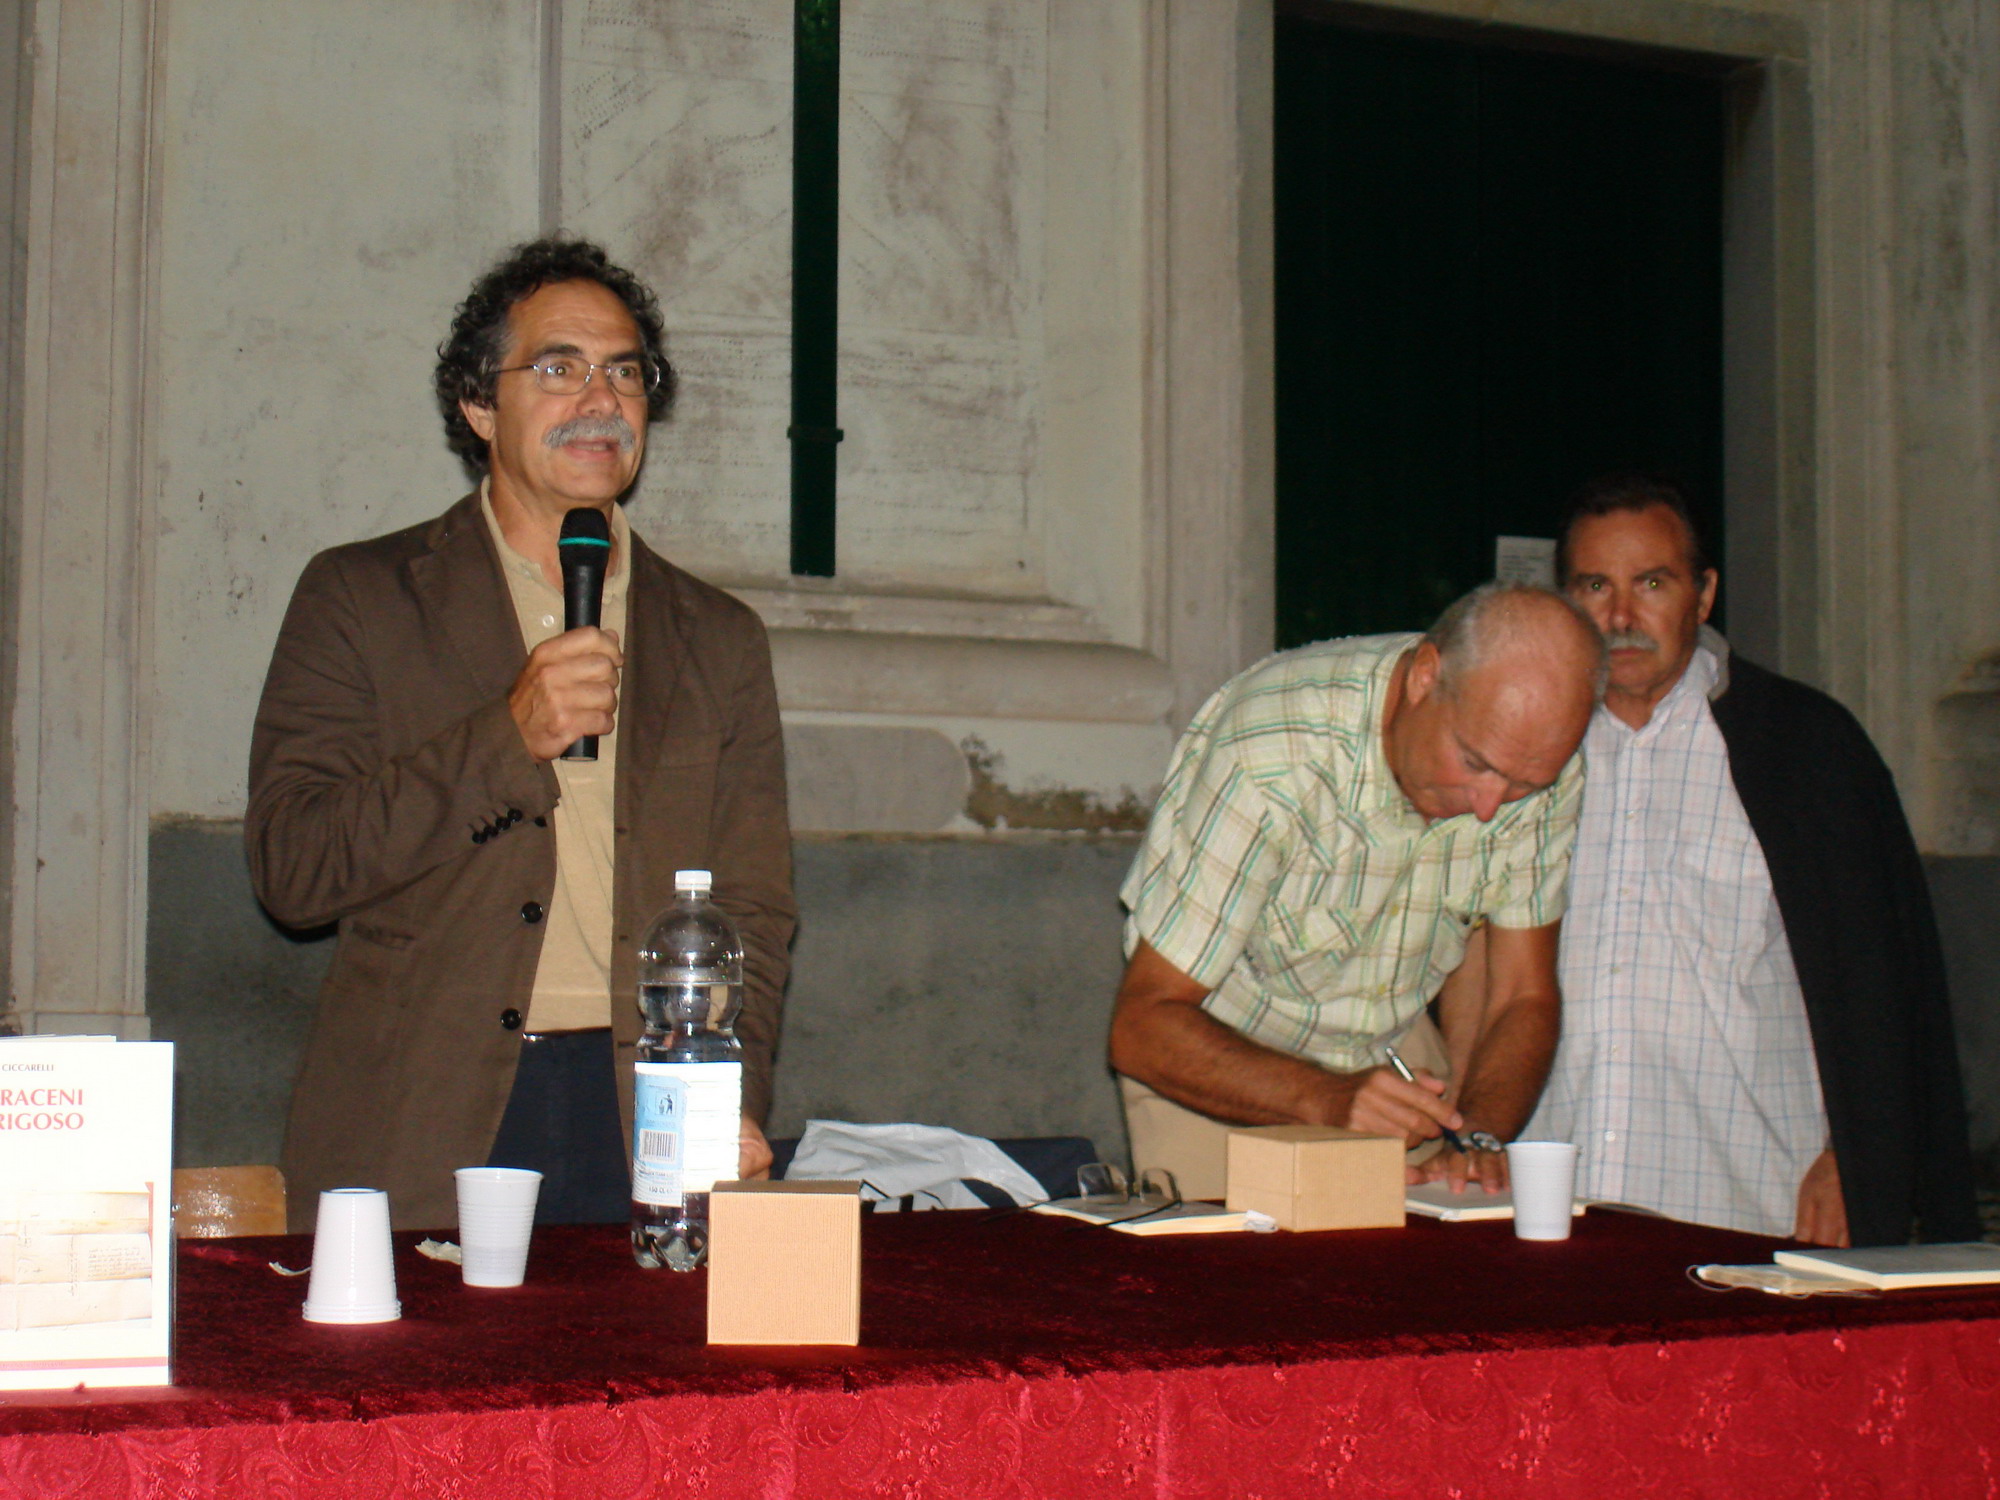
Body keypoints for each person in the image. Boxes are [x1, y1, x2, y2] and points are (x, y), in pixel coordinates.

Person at [247, 237, 795, 1231]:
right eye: (557, 368)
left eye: (624, 372)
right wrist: (506, 739)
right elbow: (295, 867)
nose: (600, 399)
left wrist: (730, 1098)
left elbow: (753, 910)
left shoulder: (717, 637)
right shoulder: (364, 597)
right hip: (423, 1109)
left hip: (647, 1107)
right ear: (478, 405)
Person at [1520, 474, 1979, 1246]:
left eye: (1652, 584)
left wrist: (1857, 1159)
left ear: (1703, 596)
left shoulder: (1800, 746)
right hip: (1552, 1200)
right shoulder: (1525, 748)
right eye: (1595, 586)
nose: (1622, 617)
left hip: (1747, 1202)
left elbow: (1881, 981)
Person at [1108, 584, 1606, 1201]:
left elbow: (1521, 997)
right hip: (1219, 1056)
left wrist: (1476, 1138)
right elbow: (1142, 1027)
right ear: (1425, 676)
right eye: (1475, 763)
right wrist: (1328, 1098)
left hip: (1392, 1051)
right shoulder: (1274, 748)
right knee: (1233, 1259)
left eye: (1524, 786)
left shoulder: (1539, 765)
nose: (1488, 806)